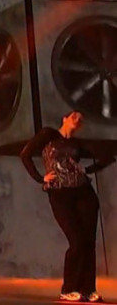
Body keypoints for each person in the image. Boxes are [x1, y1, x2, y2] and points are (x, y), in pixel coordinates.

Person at [20, 110, 115, 303]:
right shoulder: (48, 135)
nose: (77, 118)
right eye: (73, 115)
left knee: (88, 242)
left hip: (84, 193)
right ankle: (68, 288)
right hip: (60, 193)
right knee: (77, 241)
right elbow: (25, 155)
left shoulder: (77, 144)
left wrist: (87, 169)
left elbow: (108, 157)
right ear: (64, 119)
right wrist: (41, 178)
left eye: (80, 118)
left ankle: (88, 289)